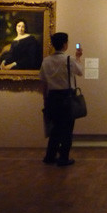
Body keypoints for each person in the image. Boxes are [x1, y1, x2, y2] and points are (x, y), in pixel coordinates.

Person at [40, 32, 83, 167]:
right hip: (66, 97)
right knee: (67, 130)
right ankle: (63, 158)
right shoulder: (69, 59)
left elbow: (44, 83)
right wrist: (78, 57)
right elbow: (80, 72)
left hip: (52, 97)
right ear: (65, 44)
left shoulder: (46, 61)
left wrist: (45, 99)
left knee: (55, 128)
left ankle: (50, 156)